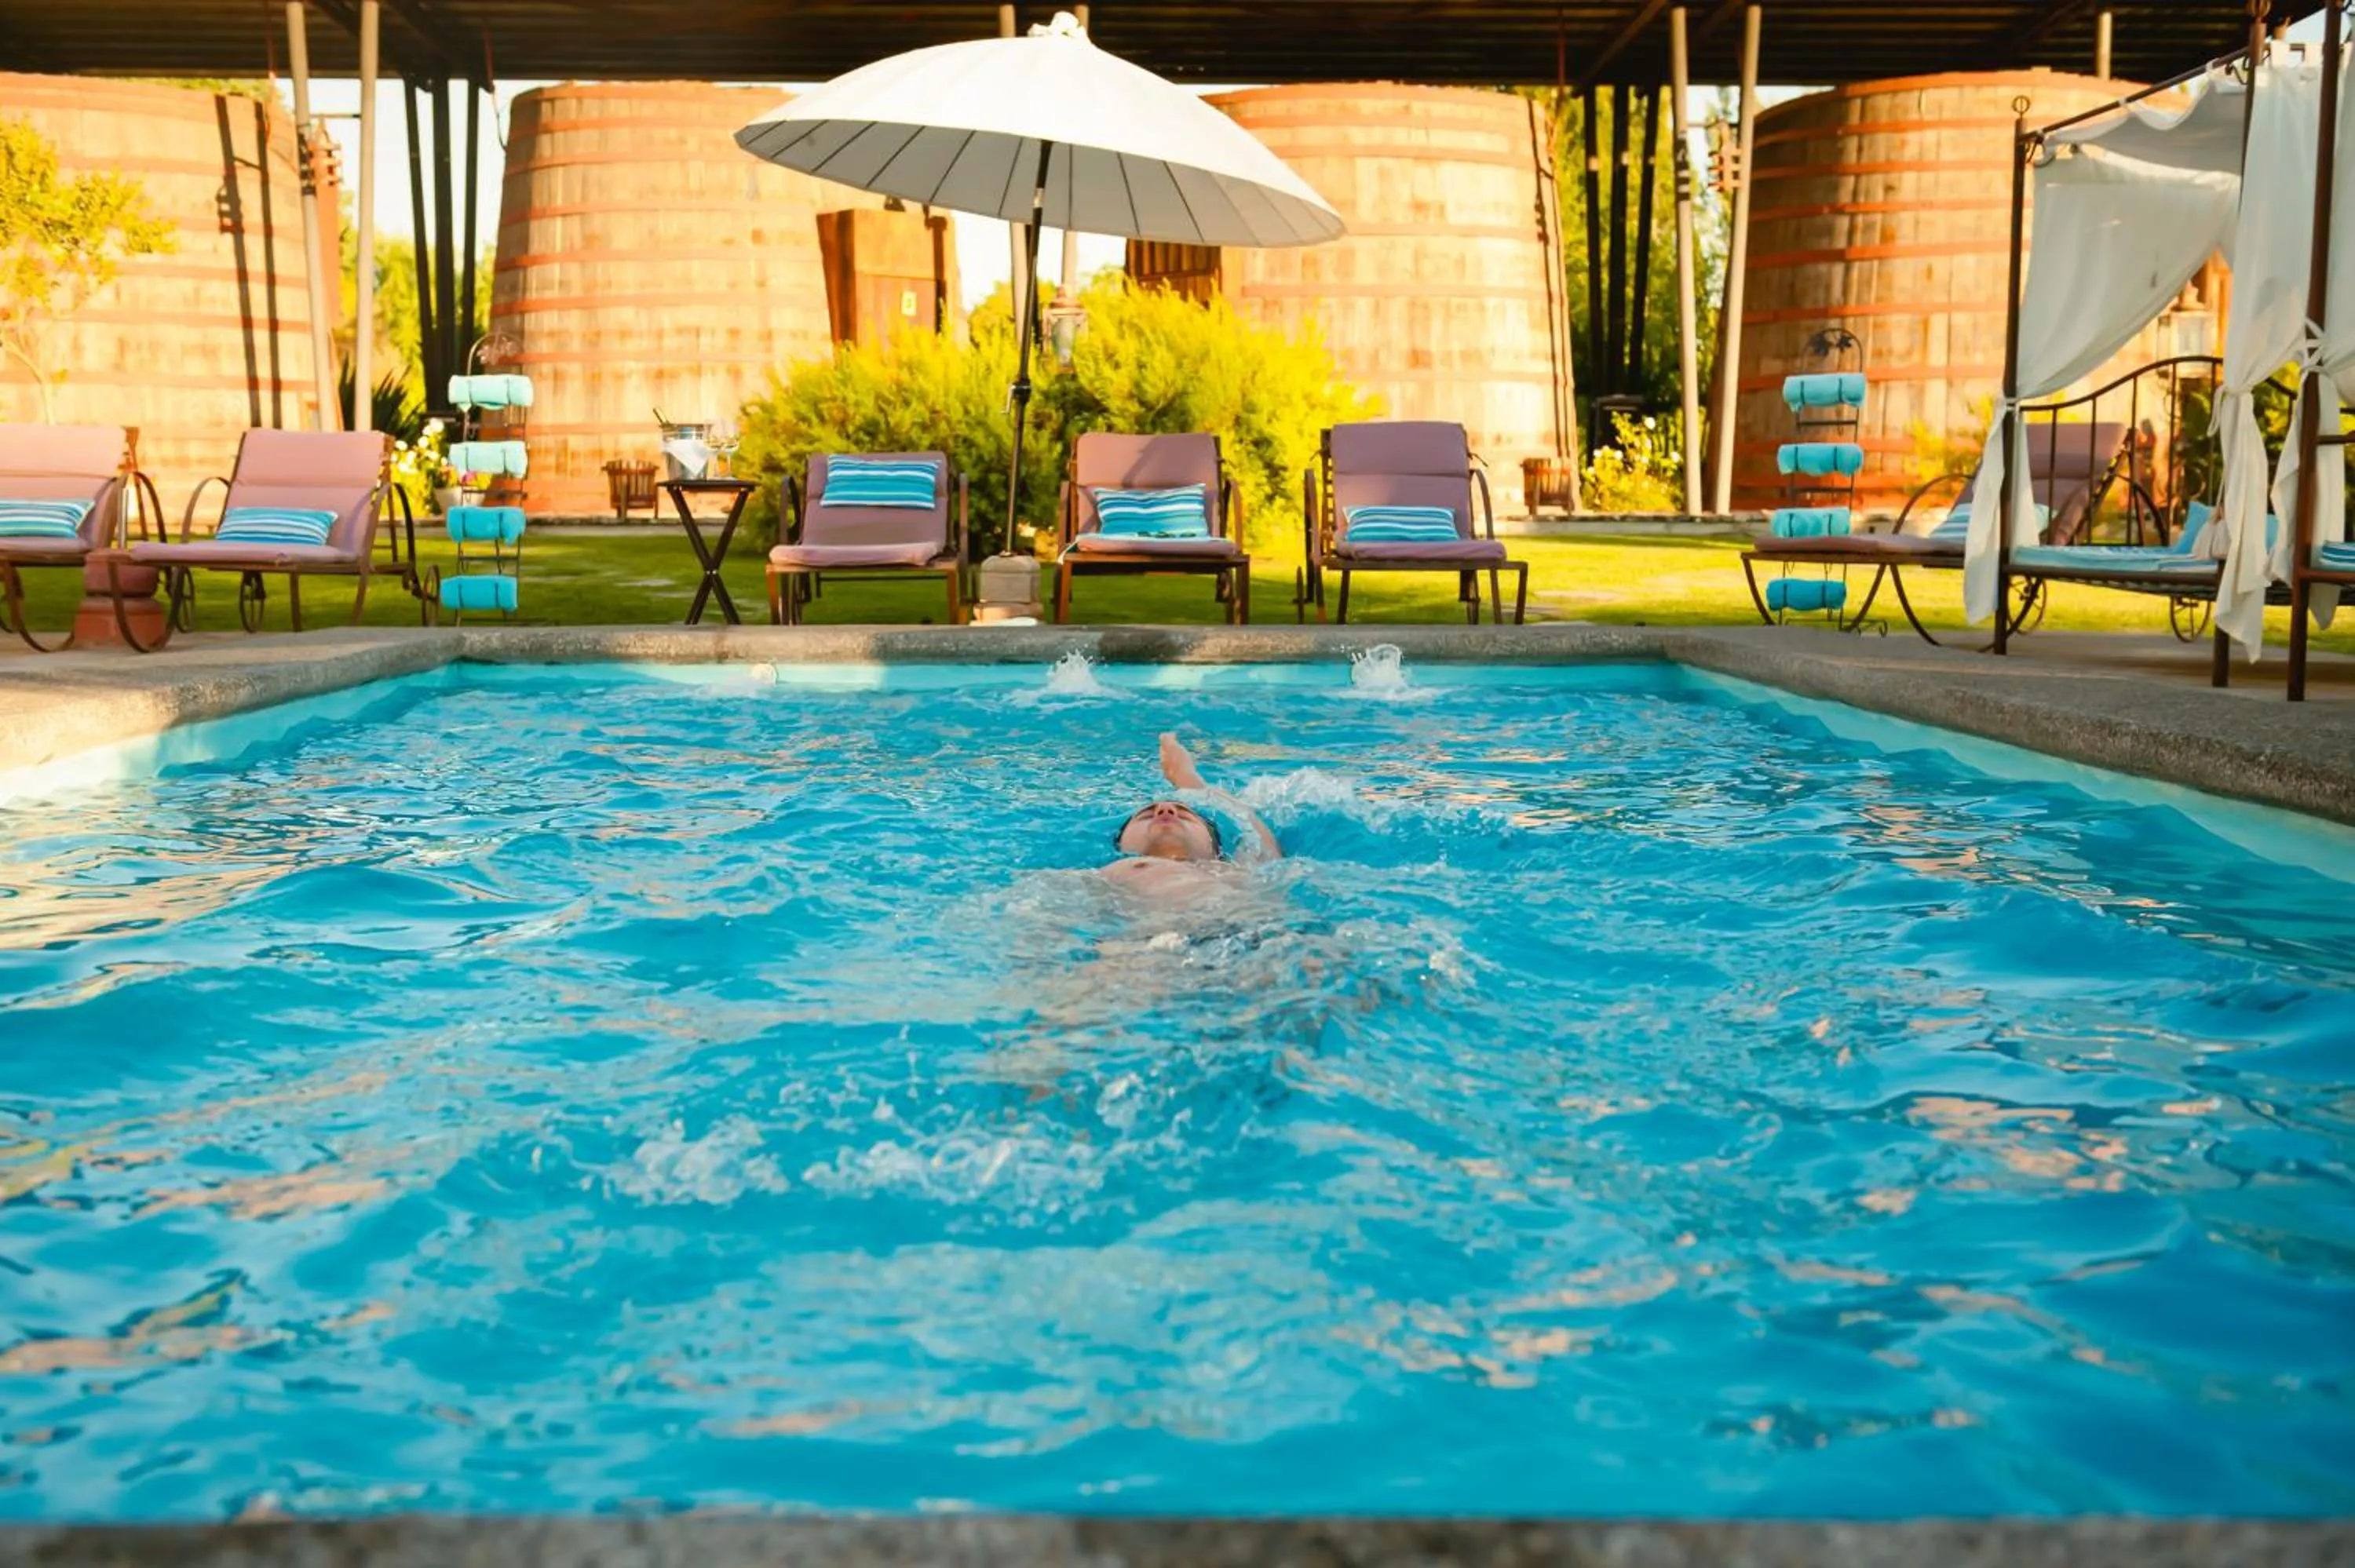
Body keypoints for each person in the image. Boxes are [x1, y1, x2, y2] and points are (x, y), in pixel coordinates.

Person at [1101, 733, 1280, 895]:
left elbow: (1255, 833)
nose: (1165, 810)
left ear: (1216, 850)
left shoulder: (1240, 871)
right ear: (1121, 845)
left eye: (1184, 815)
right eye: (1147, 815)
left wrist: (1191, 782)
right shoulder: (1102, 877)